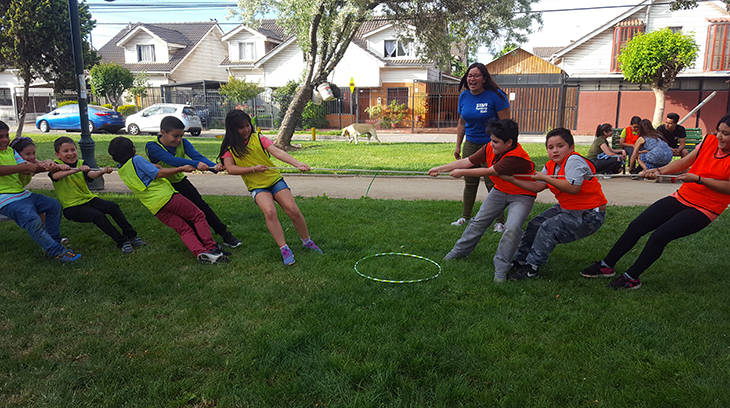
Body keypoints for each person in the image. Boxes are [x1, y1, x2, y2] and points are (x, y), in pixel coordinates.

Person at [581, 114, 730, 290]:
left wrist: (699, 179)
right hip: (682, 197)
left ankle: (631, 278)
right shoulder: (709, 141)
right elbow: (684, 162)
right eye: (719, 131)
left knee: (659, 236)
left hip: (706, 208)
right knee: (636, 226)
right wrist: (659, 171)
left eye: (726, 134)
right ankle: (606, 266)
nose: (719, 136)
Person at [428, 119, 537, 282]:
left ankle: (501, 267)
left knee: (512, 228)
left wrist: (460, 172)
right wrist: (440, 168)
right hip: (500, 190)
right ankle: (459, 251)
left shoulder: (516, 157)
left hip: (523, 194)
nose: (491, 144)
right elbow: (468, 161)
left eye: (496, 141)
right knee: (478, 221)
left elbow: (489, 171)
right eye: (491, 140)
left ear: (509, 142)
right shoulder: (489, 147)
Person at [218, 109, 321, 266]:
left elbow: (278, 153)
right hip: (257, 187)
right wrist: (253, 169)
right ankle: (284, 249)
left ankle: (307, 242)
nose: (246, 130)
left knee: (292, 209)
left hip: (275, 180)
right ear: (232, 128)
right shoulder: (229, 147)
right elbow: (230, 169)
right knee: (270, 212)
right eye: (241, 127)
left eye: (247, 125)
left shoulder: (258, 138)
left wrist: (297, 163)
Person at [504, 128, 608, 280]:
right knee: (535, 224)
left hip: (590, 213)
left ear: (571, 147)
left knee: (548, 228)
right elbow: (538, 186)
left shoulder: (573, 160)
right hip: (568, 208)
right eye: (550, 147)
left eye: (560, 146)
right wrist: (512, 180)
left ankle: (532, 268)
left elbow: (573, 188)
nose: (555, 150)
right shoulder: (550, 165)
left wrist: (546, 178)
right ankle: (521, 261)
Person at [108, 136, 229, 264]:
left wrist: (151, 166)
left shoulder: (121, 169)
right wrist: (181, 168)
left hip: (155, 207)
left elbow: (141, 173)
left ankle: (200, 252)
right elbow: (158, 174)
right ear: (133, 150)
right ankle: (212, 248)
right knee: (198, 216)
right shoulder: (137, 159)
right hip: (168, 197)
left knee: (183, 229)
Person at [146, 116, 242, 248]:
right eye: (175, 136)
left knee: (202, 207)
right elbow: (171, 160)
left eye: (181, 135)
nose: (179, 139)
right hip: (163, 188)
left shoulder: (184, 143)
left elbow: (197, 156)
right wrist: (196, 164)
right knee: (187, 215)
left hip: (180, 181)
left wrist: (213, 167)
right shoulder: (152, 146)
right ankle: (204, 242)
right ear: (163, 132)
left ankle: (224, 234)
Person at [49, 136, 146, 254]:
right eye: (66, 151)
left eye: (73, 150)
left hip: (88, 199)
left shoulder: (81, 163)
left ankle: (132, 235)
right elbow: (55, 176)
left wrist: (102, 172)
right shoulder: (56, 165)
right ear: (57, 154)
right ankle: (122, 241)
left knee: (112, 206)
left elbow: (90, 174)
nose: (70, 153)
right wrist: (77, 170)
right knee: (97, 215)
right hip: (72, 207)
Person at [0, 121, 80, 262]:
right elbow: (14, 169)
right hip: (5, 199)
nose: (5, 140)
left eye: (6, 135)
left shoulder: (11, 151)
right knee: (32, 219)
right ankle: (57, 252)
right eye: (0, 137)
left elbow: (28, 167)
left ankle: (53, 242)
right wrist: (28, 167)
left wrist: (52, 166)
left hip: (22, 194)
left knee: (53, 205)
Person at [452, 62, 511, 231]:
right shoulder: (464, 96)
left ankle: (499, 221)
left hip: (491, 145)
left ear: (484, 78)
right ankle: (465, 217)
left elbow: (506, 124)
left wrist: (503, 147)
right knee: (470, 182)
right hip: (471, 143)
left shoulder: (496, 96)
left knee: (493, 182)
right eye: (470, 76)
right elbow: (461, 123)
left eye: (476, 75)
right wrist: (458, 145)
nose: (472, 79)